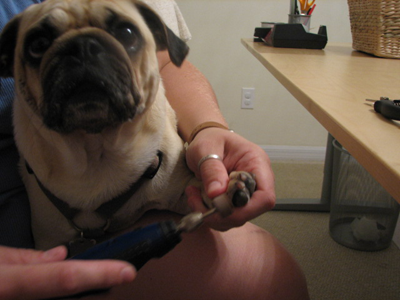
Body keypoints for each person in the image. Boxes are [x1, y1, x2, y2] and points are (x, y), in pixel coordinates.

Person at [0, 0, 310, 299]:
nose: (84, 54)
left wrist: (209, 129)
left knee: (271, 275)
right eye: (40, 46)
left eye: (125, 35)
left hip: (151, 171)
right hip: (27, 203)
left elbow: (167, 62)